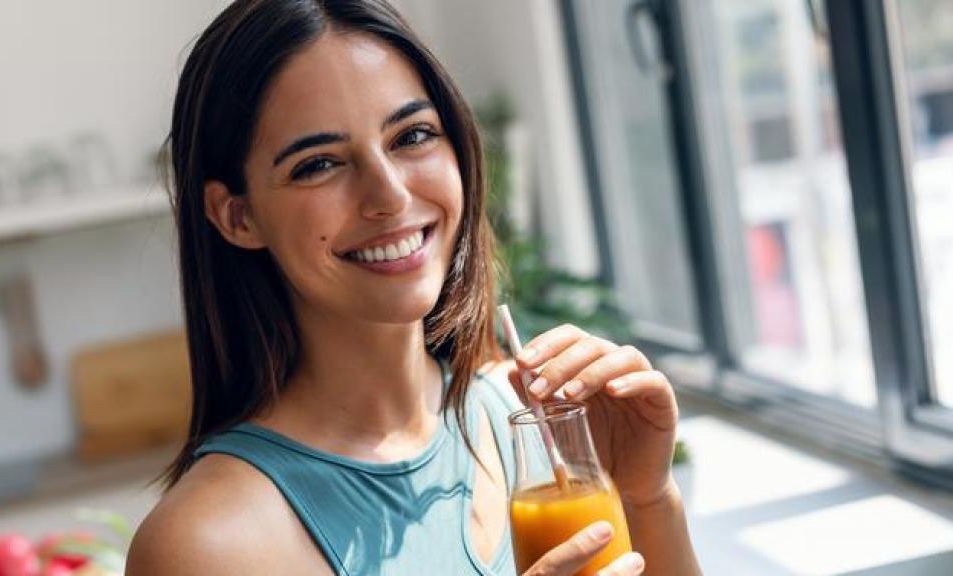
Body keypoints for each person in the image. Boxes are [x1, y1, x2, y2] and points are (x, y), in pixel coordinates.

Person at [126, 1, 701, 574]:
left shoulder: (521, 414)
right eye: (318, 164)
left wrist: (647, 498)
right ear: (238, 216)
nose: (391, 195)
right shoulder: (206, 545)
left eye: (413, 135)